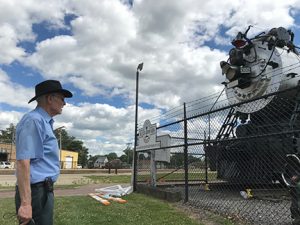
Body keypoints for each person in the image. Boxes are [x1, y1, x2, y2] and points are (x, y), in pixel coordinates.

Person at [15, 80, 72, 225]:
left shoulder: (43, 122)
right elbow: (23, 161)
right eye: (62, 98)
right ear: (50, 98)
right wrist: (26, 204)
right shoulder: (34, 120)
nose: (64, 103)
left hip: (42, 190)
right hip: (35, 192)